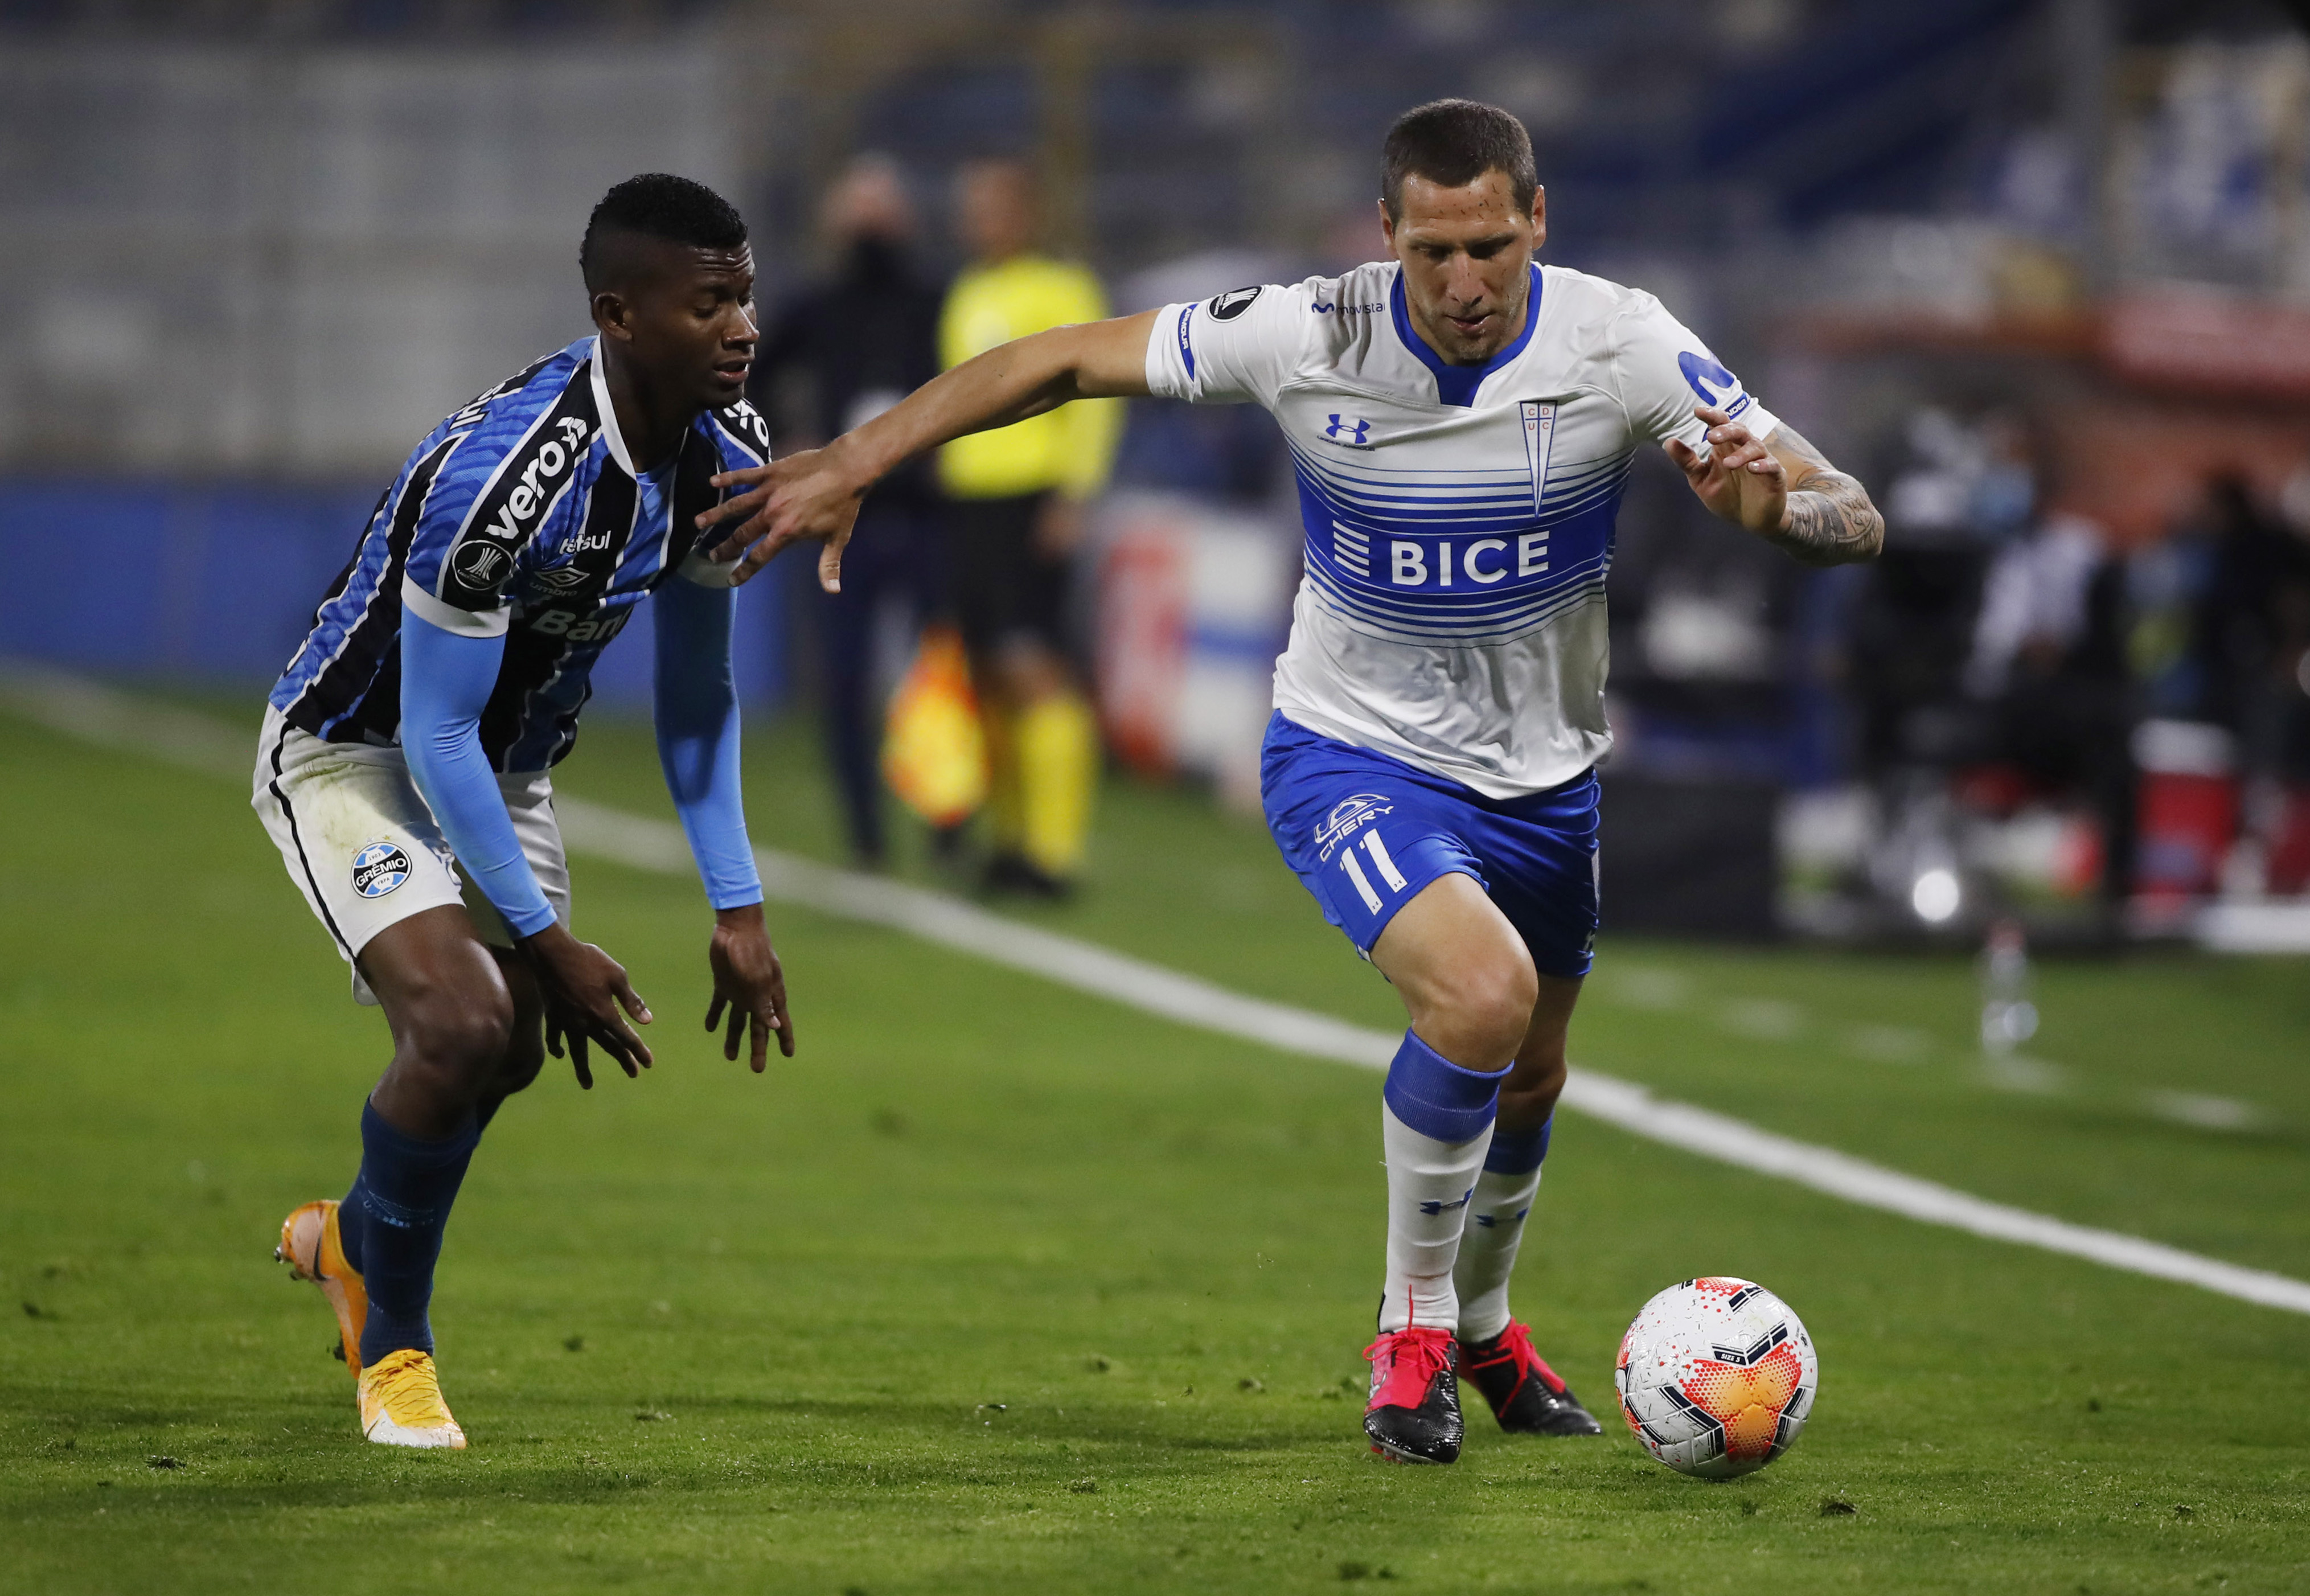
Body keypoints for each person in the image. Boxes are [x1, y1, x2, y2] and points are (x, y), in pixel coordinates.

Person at [699, 101, 1883, 1466]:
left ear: (1535, 224)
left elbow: (1838, 503)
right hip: (1349, 752)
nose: (1460, 282)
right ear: (1385, 236)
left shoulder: (1620, 337)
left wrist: (1783, 513)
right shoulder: (1307, 329)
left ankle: (1489, 1329)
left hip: (1547, 778)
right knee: (1480, 999)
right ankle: (1412, 1334)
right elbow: (1057, 362)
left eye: (1488, 245)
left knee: (1530, 1073)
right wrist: (857, 456)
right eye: (1430, 249)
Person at [255, 174, 795, 1450]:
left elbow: (700, 694)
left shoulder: (729, 455)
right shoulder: (503, 480)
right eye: (709, 302)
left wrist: (738, 905)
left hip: (504, 777)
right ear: (619, 313)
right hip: (358, 756)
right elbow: (432, 732)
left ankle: (348, 1240)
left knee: (498, 1054)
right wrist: (546, 936)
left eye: (747, 295)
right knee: (468, 1020)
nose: (742, 328)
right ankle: (395, 1354)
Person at [750, 155, 950, 868]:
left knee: (942, 675)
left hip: (927, 512)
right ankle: (865, 836)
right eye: (856, 209)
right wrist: (786, 440)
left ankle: (946, 820)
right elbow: (753, 373)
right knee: (842, 678)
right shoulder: (818, 303)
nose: (869, 224)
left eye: (880, 208)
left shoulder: (938, 300)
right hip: (846, 520)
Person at [936, 158, 1122, 896]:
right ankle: (1009, 842)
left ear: (1025, 213)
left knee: (1035, 668)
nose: (974, 222)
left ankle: (1055, 852)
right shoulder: (968, 289)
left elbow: (1097, 397)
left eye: (988, 208)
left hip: (1030, 498)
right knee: (984, 675)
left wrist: (1073, 494)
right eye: (969, 208)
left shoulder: (1064, 288)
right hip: (968, 502)